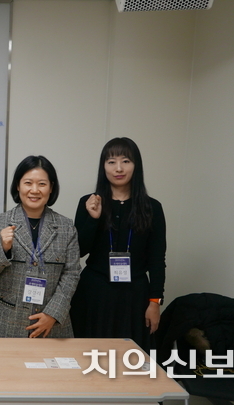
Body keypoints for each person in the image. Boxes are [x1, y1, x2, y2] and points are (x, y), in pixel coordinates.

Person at [70, 137, 166, 352]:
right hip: (94, 293)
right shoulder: (89, 202)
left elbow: (157, 259)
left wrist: (155, 302)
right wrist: (93, 218)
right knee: (89, 358)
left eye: (126, 161)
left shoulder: (152, 208)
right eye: (111, 162)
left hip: (135, 296)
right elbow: (78, 251)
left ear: (136, 165)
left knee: (131, 361)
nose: (119, 168)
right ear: (103, 166)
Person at [0, 156, 81, 338]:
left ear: (51, 187)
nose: (34, 190)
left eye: (42, 184)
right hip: (5, 323)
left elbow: (72, 274)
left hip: (51, 325)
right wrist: (3, 248)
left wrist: (53, 314)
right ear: (18, 186)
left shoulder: (66, 227)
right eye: (28, 183)